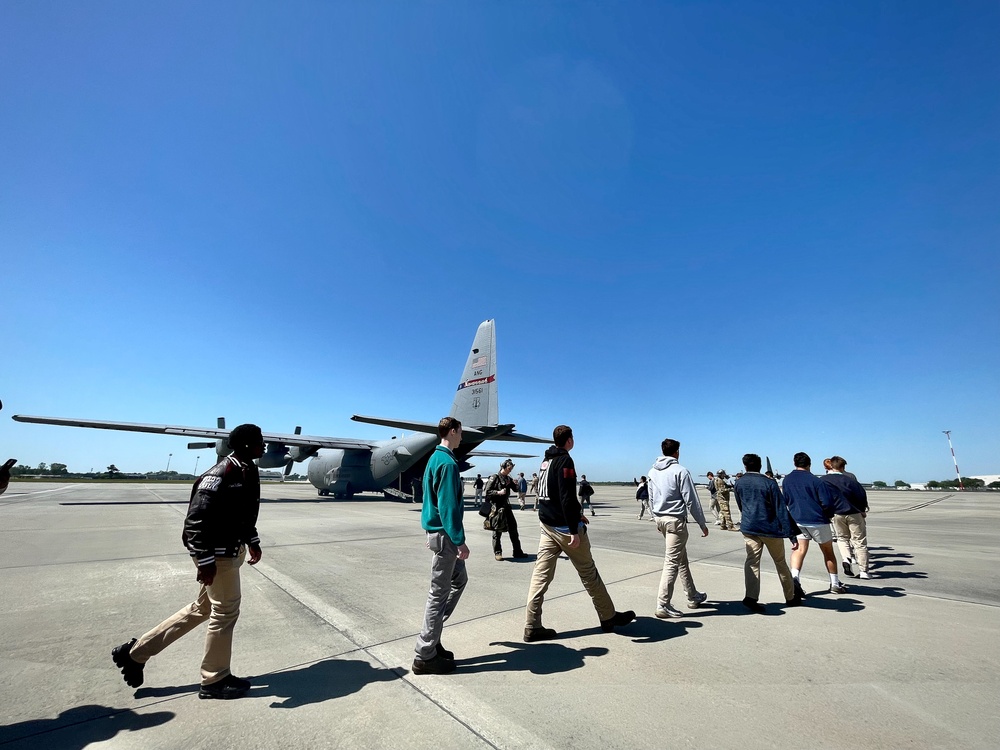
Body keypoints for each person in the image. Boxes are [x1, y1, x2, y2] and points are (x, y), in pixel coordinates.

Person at [111, 424, 265, 700]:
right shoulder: (221, 473)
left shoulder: (246, 469)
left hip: (230, 550)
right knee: (225, 612)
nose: (264, 446)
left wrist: (252, 540)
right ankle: (214, 679)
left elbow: (241, 514)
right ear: (244, 445)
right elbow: (195, 520)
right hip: (217, 555)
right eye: (259, 441)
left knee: (202, 608)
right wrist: (204, 561)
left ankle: (135, 653)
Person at [524, 425, 635, 641]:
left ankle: (532, 625)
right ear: (569, 440)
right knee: (588, 572)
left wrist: (577, 514)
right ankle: (608, 616)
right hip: (564, 528)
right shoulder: (565, 460)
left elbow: (554, 495)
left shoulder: (545, 462)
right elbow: (566, 495)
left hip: (547, 526)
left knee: (540, 577)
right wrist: (574, 528)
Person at [412, 417, 469, 675]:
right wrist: (460, 541)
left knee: (460, 580)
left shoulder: (435, 459)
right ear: (453, 431)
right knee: (438, 593)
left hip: (438, 533)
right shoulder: (446, 463)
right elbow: (447, 506)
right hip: (446, 536)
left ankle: (433, 636)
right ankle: (425, 654)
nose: (462, 437)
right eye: (460, 432)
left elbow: (429, 500)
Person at [647, 439, 709, 618]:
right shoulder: (680, 471)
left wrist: (655, 518)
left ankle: (692, 595)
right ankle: (663, 604)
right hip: (675, 521)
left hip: (661, 520)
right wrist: (702, 523)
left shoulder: (652, 471)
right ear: (677, 452)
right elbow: (691, 499)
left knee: (681, 559)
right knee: (672, 562)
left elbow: (651, 498)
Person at [733, 453, 801, 612]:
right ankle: (790, 597)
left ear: (745, 466)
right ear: (760, 466)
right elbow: (780, 509)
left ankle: (751, 596)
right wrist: (791, 534)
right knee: (780, 562)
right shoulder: (769, 483)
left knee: (752, 562)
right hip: (770, 530)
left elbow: (740, 505)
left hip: (749, 529)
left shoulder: (739, 482)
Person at [782, 452, 853, 596]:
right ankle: (834, 583)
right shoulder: (816, 480)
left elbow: (786, 500)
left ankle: (795, 578)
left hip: (797, 520)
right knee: (828, 552)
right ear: (809, 464)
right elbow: (826, 502)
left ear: (794, 463)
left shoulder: (787, 480)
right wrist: (828, 515)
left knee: (799, 550)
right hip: (817, 520)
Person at [822, 456, 872, 579]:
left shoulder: (823, 480)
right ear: (843, 467)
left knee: (842, 538)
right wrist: (863, 510)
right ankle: (864, 571)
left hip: (837, 514)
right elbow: (861, 496)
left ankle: (846, 558)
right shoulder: (851, 480)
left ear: (831, 466)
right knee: (859, 541)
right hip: (854, 513)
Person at [486, 459, 527, 561]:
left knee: (513, 528)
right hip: (497, 508)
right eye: (509, 469)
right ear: (503, 467)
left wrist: (515, 484)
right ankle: (498, 552)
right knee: (497, 530)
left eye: (511, 469)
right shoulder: (494, 478)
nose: (510, 471)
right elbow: (488, 491)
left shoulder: (508, 478)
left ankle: (517, 551)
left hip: (506, 507)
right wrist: (498, 492)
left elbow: (516, 489)